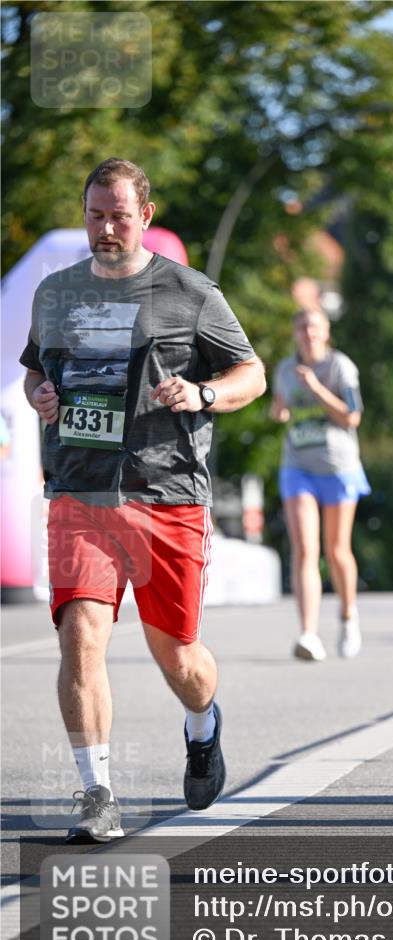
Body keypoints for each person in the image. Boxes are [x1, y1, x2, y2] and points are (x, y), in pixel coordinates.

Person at [19, 158, 266, 843]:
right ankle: (96, 793)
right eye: (95, 215)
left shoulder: (190, 292)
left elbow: (251, 374)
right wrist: (40, 396)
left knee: (178, 657)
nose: (106, 228)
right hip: (80, 490)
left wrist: (204, 392)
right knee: (80, 637)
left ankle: (202, 724)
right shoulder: (56, 293)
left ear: (145, 217)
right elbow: (35, 371)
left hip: (166, 493)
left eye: (119, 216)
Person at [270, 307, 370, 661]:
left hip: (338, 467)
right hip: (298, 467)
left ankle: (348, 615)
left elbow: (352, 416)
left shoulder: (340, 366)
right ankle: (309, 634)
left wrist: (315, 387)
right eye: (302, 326)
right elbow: (280, 408)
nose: (308, 332)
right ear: (295, 333)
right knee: (304, 549)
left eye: (314, 326)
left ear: (326, 332)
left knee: (337, 550)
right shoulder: (284, 369)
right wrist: (279, 411)